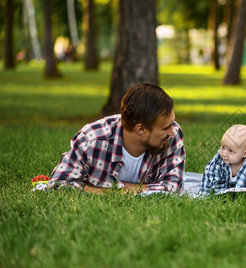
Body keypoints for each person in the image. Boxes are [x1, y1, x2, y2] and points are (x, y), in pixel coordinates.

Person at [47, 83, 185, 194]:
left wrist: (103, 189)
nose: (172, 131)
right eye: (166, 127)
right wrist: (130, 191)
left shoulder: (172, 136)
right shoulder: (92, 140)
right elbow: (57, 184)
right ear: (140, 129)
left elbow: (173, 187)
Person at [200, 124, 246, 194]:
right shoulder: (218, 159)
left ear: (245, 154)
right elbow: (209, 175)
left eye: (230, 151)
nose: (224, 153)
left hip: (244, 190)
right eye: (223, 147)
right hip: (223, 188)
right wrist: (205, 194)